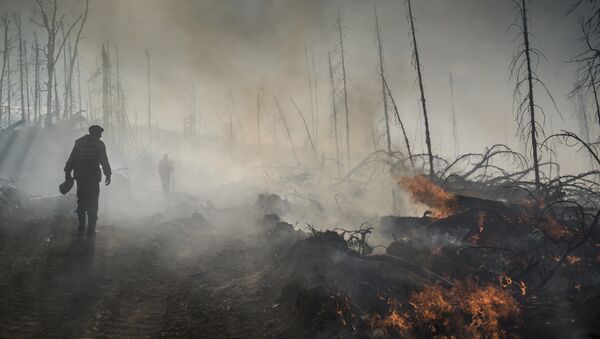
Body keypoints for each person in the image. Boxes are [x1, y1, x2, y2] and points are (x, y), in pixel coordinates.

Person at [64, 125, 112, 232]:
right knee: (93, 202)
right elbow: (104, 161)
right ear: (95, 133)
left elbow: (71, 159)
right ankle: (91, 227)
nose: (100, 136)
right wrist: (108, 174)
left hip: (81, 178)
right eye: (99, 133)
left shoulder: (79, 142)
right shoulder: (99, 145)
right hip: (93, 178)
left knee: (81, 200)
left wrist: (67, 173)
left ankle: (81, 226)